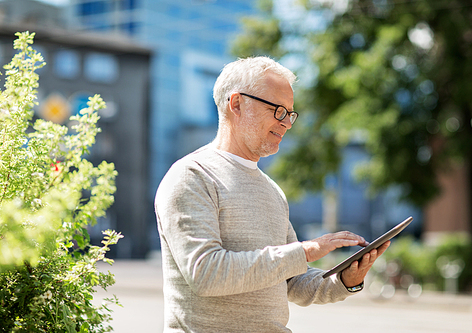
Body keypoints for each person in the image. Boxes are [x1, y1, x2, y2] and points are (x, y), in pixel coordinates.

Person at [155, 56, 390, 333]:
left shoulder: (272, 190)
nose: (287, 123)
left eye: (290, 113)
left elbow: (290, 280)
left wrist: (345, 280)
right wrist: (304, 250)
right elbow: (206, 273)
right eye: (278, 110)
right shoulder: (191, 176)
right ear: (237, 103)